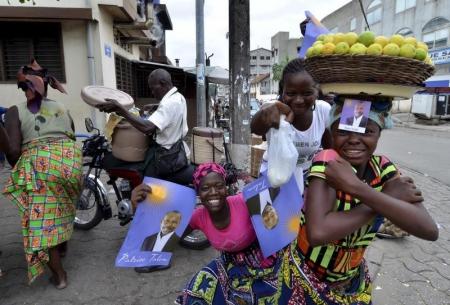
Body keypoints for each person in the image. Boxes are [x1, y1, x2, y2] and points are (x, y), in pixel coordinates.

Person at [273, 98, 438, 304]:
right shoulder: (328, 162)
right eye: (343, 132)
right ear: (330, 134)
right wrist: (379, 199)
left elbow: (429, 230)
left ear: (380, 133)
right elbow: (318, 232)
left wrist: (359, 190)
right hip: (304, 277)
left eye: (367, 131)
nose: (354, 139)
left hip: (351, 279)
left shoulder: (382, 168)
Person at [131, 163, 281, 304]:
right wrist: (142, 210)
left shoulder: (244, 201)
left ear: (226, 188)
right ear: (198, 193)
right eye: (205, 188)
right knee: (193, 295)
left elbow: (278, 214)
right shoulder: (198, 216)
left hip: (265, 264)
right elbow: (158, 244)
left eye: (219, 186)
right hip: (230, 265)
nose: (213, 193)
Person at [2, 59, 82, 289]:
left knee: (43, 223)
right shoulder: (60, 106)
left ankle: (60, 276)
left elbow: (14, 152)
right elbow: (71, 135)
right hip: (71, 163)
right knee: (63, 207)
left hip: (43, 166)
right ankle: (63, 244)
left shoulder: (14, 111)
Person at [251, 58, 332, 195]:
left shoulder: (323, 111)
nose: (299, 100)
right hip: (274, 177)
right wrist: (266, 113)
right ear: (283, 91)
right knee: (273, 216)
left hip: (307, 176)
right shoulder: (274, 111)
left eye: (307, 93)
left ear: (317, 91)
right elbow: (255, 129)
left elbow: (329, 150)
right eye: (291, 93)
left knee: (302, 216)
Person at [97, 68, 192, 184]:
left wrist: (122, 110)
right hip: (174, 148)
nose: (152, 92)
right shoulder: (178, 97)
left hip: (165, 154)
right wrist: (156, 106)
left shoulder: (170, 103)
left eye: (153, 88)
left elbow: (147, 127)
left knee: (145, 185)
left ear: (163, 84)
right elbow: (170, 111)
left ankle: (145, 199)